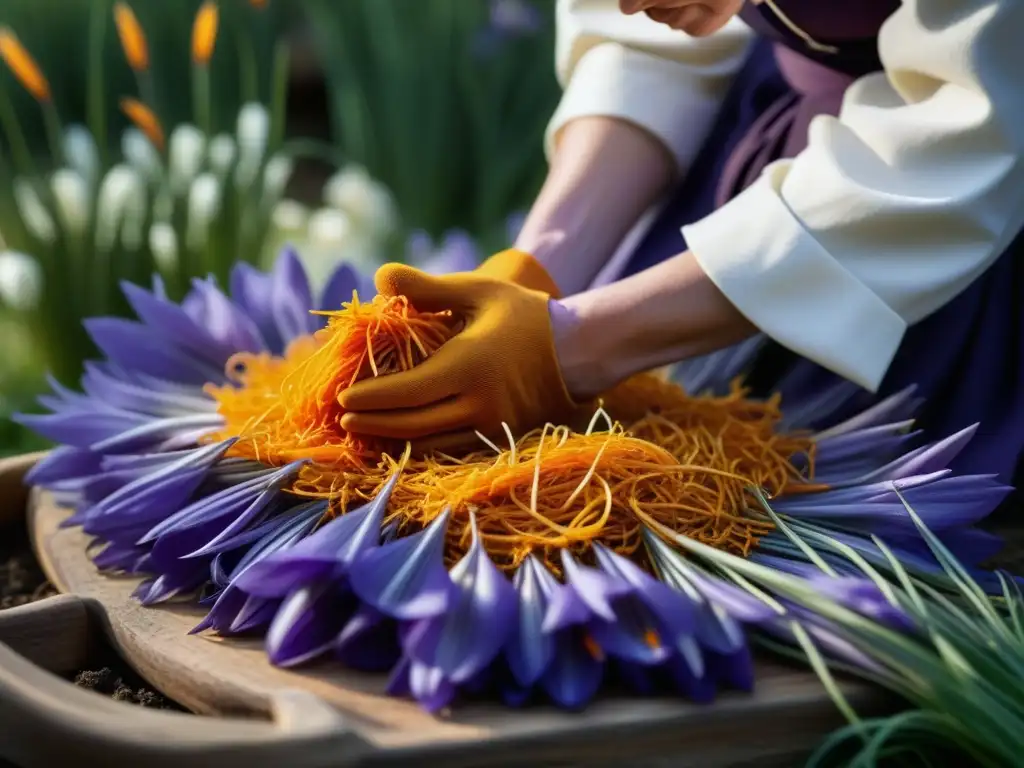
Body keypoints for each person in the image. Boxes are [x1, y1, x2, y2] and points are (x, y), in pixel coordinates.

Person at [339, 0, 1024, 485]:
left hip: (937, 232)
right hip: (759, 150)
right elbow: (647, 44)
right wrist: (541, 265)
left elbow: (966, 131)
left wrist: (573, 346)